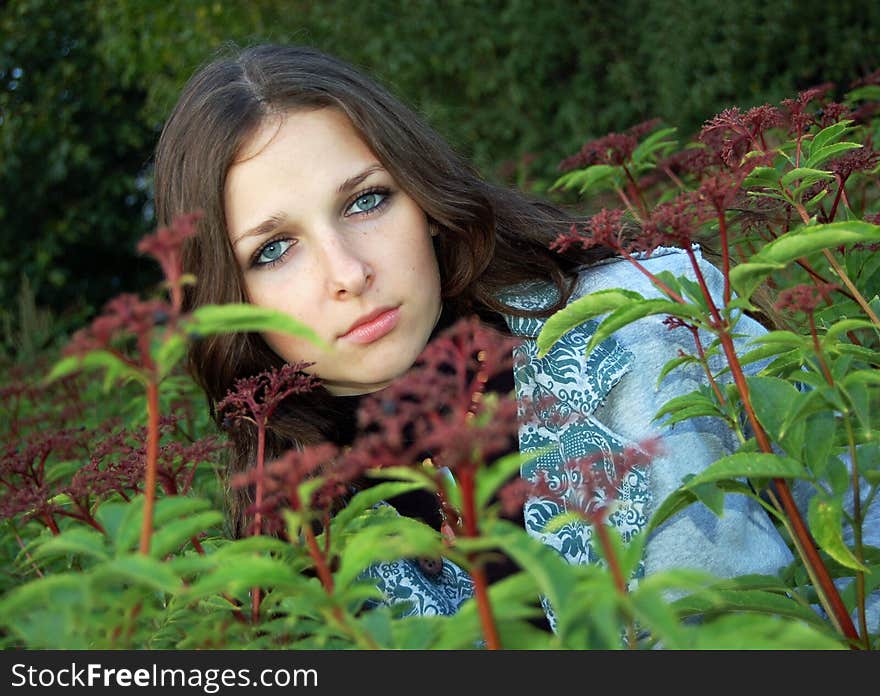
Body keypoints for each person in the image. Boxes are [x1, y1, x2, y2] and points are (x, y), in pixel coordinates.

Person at [153, 44, 877, 631]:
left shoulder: (655, 317)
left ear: (424, 199)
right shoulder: (290, 557)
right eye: (274, 250)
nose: (348, 273)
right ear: (227, 301)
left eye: (367, 200)